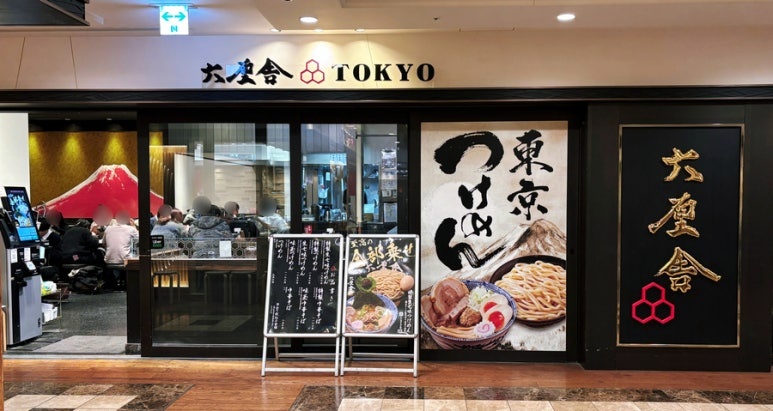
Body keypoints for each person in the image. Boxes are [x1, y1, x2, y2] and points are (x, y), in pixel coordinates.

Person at [103, 210, 139, 290]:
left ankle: (114, 281)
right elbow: (140, 240)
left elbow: (104, 243)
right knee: (135, 252)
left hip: (109, 260)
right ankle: (129, 282)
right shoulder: (131, 229)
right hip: (125, 261)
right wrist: (133, 226)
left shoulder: (108, 229)